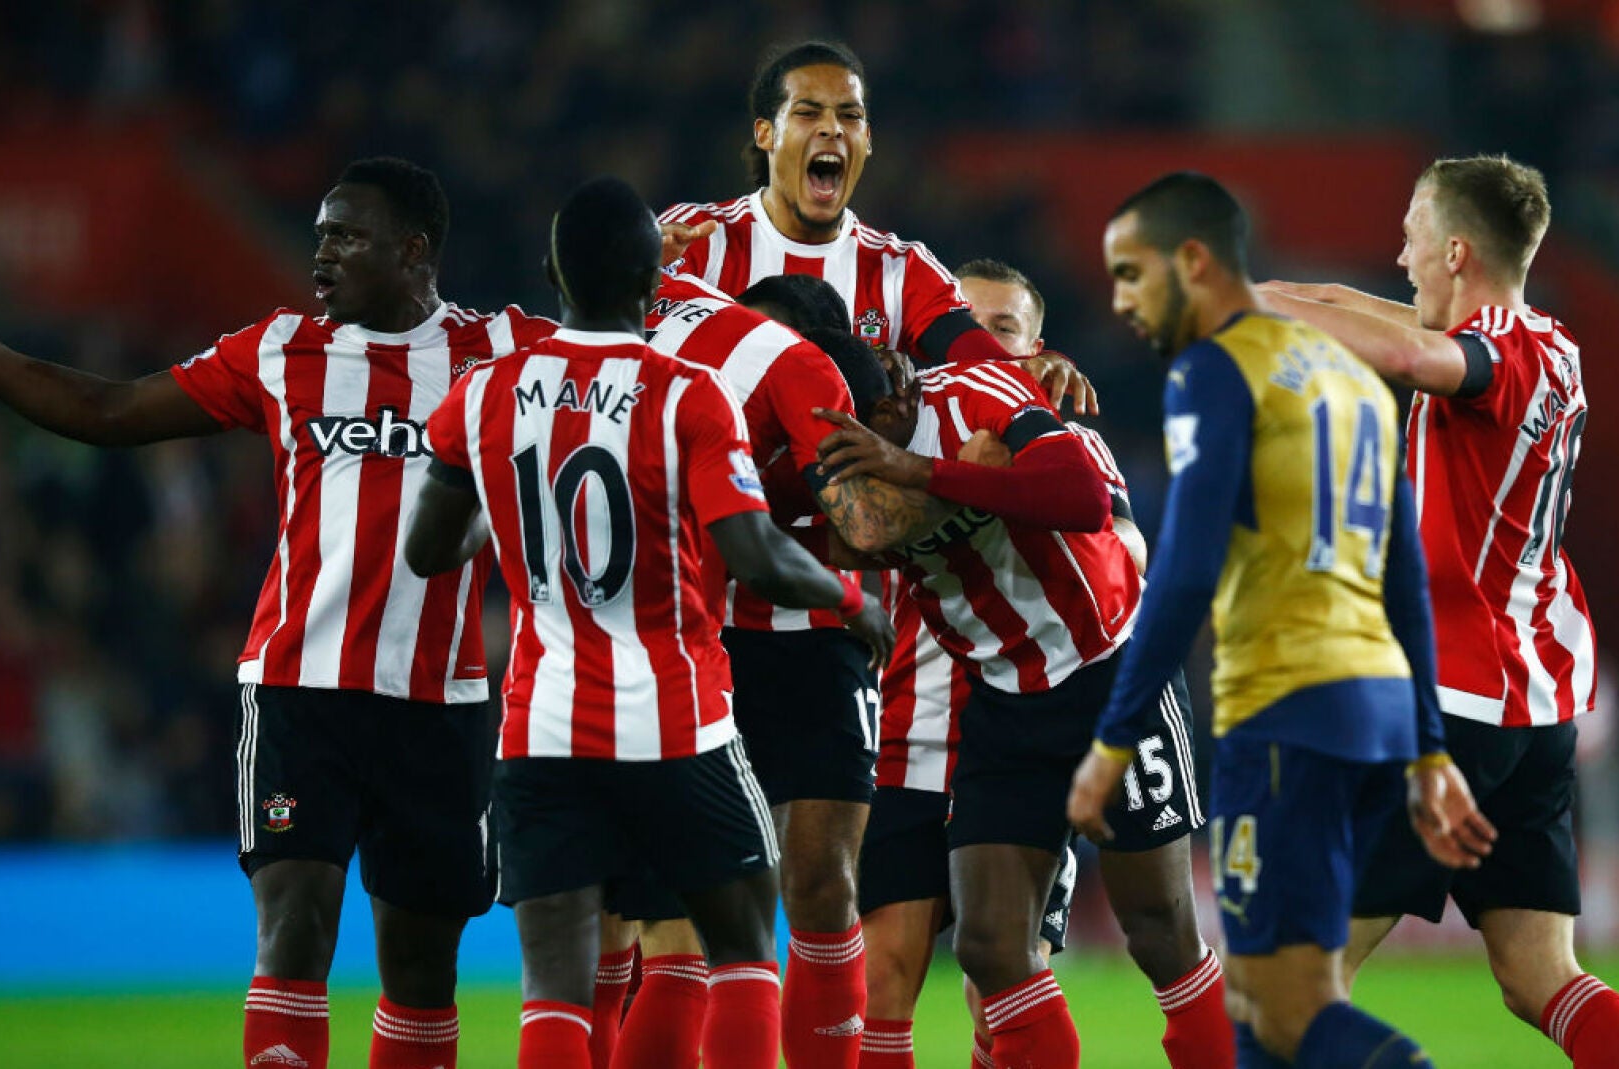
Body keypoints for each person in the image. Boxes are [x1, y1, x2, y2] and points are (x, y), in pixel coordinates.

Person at [0, 157, 554, 1069]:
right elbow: (107, 406)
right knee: (294, 925)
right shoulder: (278, 349)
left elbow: (627, 356)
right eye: (320, 233)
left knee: (421, 968)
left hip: (438, 705)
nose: (321, 252)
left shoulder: (505, 351)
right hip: (300, 692)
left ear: (415, 253)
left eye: (347, 235)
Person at [401, 175, 893, 1069]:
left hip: (540, 727)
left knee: (555, 984)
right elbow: (755, 557)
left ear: (553, 274)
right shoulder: (686, 393)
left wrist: (508, 496)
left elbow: (430, 550)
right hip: (675, 722)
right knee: (740, 947)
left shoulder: (484, 394)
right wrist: (853, 601)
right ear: (653, 279)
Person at [1064, 171, 1493, 1068]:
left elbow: (1180, 572)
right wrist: (1427, 748)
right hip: (1371, 710)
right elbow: (1404, 577)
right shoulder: (1354, 381)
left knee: (1289, 1009)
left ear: (1193, 262)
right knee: (1263, 1006)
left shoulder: (1216, 370)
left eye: (1133, 273)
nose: (1121, 300)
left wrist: (1113, 740)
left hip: (1286, 712)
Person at [1255, 154, 1619, 1068]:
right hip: (1538, 702)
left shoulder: (1489, 360)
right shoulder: (1553, 344)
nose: (1398, 257)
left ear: (1453, 250)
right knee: (1539, 974)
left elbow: (1410, 353)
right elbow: (1389, 317)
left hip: (1453, 702)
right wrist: (1269, 288)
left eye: (1409, 235)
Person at [814, 347, 1225, 1069]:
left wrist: (921, 469)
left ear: (899, 389)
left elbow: (1085, 500)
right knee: (990, 944)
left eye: (878, 417)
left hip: (1112, 674)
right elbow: (858, 536)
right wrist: (949, 484)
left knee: (1160, 932)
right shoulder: (848, 474)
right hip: (1006, 698)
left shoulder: (979, 391)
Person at [590, 272, 947, 1069]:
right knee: (676, 917)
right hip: (702, 643)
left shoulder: (835, 390)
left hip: (818, 643)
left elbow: (863, 536)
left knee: (821, 882)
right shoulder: (688, 382)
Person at [855, 259, 1139, 1069]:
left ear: (1037, 346)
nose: (978, 354)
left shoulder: (1067, 438)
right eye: (962, 332)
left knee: (1002, 980)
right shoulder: (899, 432)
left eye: (1001, 334)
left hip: (1018, 719)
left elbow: (1124, 546)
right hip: (911, 729)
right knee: (883, 979)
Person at [657, 39, 1095, 413]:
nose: (832, 128)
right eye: (809, 113)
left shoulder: (900, 268)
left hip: (847, 509)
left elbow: (970, 352)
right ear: (766, 134)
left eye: (849, 116)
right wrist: (628, 284)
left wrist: (1023, 368)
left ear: (866, 139)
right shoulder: (697, 237)